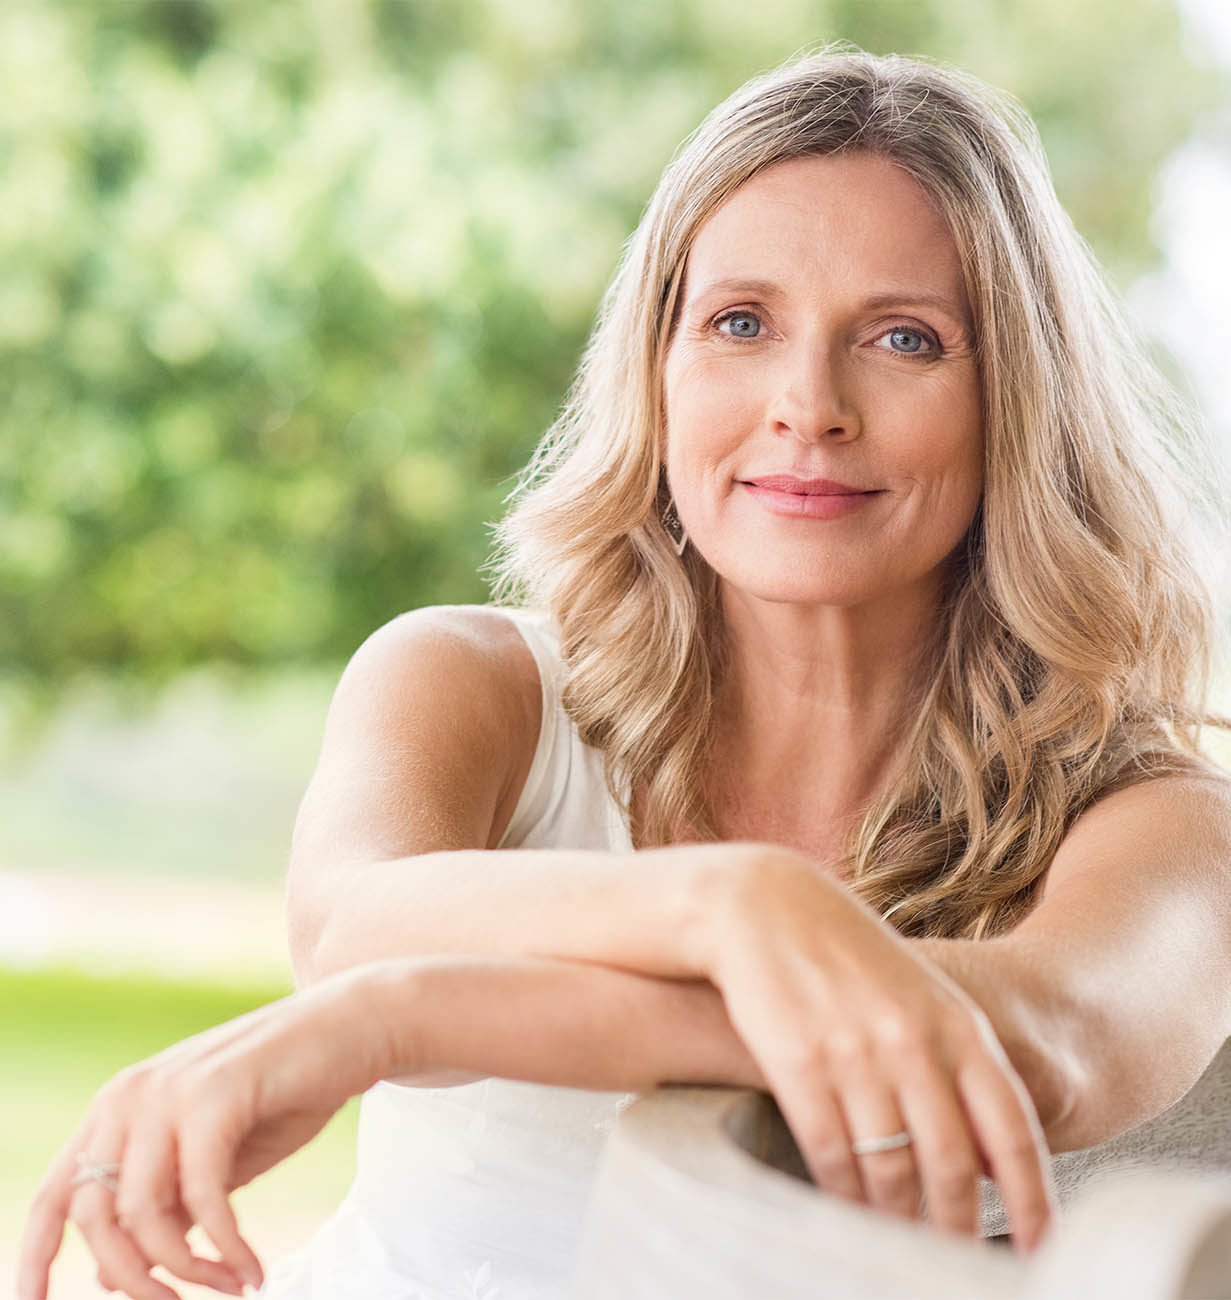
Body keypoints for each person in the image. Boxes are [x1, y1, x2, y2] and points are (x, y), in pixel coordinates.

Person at [19, 43, 1231, 1300]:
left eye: (905, 338)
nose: (807, 404)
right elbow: (351, 925)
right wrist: (732, 909)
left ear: (1015, 405)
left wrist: (393, 1020)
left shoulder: (1160, 818)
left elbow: (1048, 1040)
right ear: (656, 370)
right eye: (740, 322)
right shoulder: (467, 682)